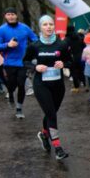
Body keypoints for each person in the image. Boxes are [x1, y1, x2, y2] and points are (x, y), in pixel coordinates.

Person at [24, 15, 70, 160]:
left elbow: (70, 60)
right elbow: (25, 61)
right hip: (41, 84)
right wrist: (35, 66)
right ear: (40, 27)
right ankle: (58, 147)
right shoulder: (34, 45)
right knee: (51, 114)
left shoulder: (61, 44)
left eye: (51, 24)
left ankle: (44, 134)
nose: (49, 27)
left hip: (58, 85)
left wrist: (64, 64)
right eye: (45, 25)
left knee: (51, 113)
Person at [0, 7, 38, 119]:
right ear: (5, 16)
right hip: (9, 62)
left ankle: (19, 108)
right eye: (8, 14)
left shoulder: (24, 28)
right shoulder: (1, 30)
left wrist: (32, 49)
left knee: (21, 84)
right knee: (12, 85)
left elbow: (35, 39)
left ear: (16, 16)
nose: (11, 16)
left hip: (23, 62)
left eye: (13, 14)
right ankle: (11, 93)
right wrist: (7, 45)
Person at [65, 25, 86, 92]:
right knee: (81, 70)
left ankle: (76, 86)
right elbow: (84, 45)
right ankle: (83, 83)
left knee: (74, 72)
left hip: (72, 57)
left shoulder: (67, 39)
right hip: (80, 56)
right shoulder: (79, 37)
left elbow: (64, 49)